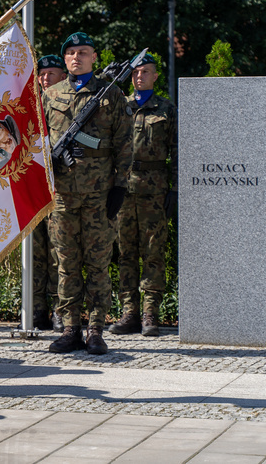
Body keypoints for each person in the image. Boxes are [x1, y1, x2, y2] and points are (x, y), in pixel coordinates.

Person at [42, 32, 132, 355]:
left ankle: (95, 329)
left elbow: (124, 144)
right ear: (65, 59)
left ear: (95, 57)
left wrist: (120, 186)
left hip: (98, 196)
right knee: (66, 263)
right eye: (71, 53)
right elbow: (38, 138)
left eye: (83, 52)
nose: (76, 57)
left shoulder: (111, 96)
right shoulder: (51, 95)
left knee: (97, 263)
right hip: (63, 197)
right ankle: (70, 328)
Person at [109, 53, 177, 337]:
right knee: (125, 252)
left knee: (153, 252)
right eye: (136, 72)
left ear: (155, 76)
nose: (140, 76)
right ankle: (129, 313)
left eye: (146, 72)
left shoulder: (166, 109)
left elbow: (177, 150)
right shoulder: (120, 106)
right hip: (123, 188)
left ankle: (150, 313)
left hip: (154, 188)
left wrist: (174, 188)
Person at [32, 54, 65, 331]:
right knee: (34, 252)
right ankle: (36, 309)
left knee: (57, 252)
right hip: (32, 188)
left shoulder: (67, 107)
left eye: (51, 74)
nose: (45, 79)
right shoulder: (30, 106)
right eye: (42, 74)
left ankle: (58, 309)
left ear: (63, 77)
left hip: (60, 190)